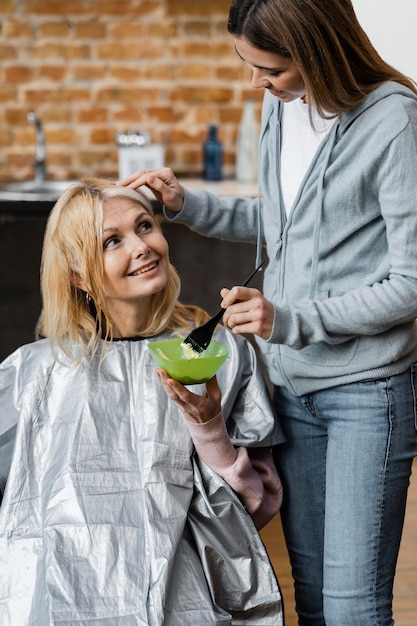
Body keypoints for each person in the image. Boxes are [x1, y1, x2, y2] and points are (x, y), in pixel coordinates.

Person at [118, 1, 417, 624]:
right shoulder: (281, 105)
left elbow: (411, 284)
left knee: (355, 608)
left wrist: (289, 321)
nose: (257, 81)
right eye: (246, 62)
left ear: (318, 53)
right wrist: (188, 204)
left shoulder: (395, 123)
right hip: (291, 388)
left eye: (272, 69)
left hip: (366, 390)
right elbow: (284, 226)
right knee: (308, 597)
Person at [0, 178, 285, 625]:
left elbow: (258, 505)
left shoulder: (221, 355)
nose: (142, 247)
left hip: (187, 595)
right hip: (66, 597)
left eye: (145, 226)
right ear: (77, 275)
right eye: (112, 240)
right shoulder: (37, 372)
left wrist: (208, 428)